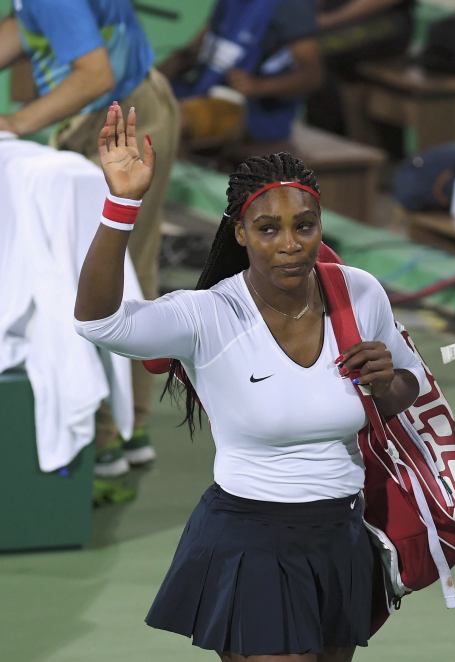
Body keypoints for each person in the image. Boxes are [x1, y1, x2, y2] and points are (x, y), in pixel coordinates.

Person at [74, 103, 425, 661]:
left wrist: (388, 383)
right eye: (268, 229)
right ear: (239, 232)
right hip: (251, 543)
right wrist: (123, 203)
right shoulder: (205, 315)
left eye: (304, 226)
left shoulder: (359, 293)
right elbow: (99, 322)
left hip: (341, 537)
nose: (290, 244)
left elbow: (408, 388)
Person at [0, 0, 179, 479]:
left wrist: (14, 123)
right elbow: (24, 27)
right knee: (127, 271)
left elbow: (95, 74)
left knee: (107, 278)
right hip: (116, 109)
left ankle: (107, 440)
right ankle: (128, 430)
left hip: (119, 121)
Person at [159, 0, 323, 146]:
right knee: (142, 103)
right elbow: (193, 50)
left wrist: (258, 86)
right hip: (203, 93)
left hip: (251, 112)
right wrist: (150, 81)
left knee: (168, 121)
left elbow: (312, 76)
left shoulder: (290, 6)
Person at [306, 0, 415, 135]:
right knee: (300, 50)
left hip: (386, 21)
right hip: (338, 22)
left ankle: (332, 140)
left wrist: (330, 20)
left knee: (312, 54)